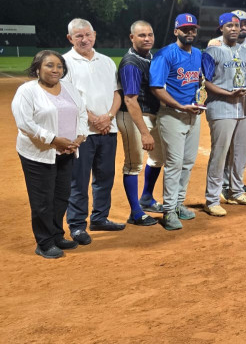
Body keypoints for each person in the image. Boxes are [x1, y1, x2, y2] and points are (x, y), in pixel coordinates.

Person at [12, 51, 88, 259]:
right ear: (37, 68)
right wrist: (53, 139)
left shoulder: (69, 88)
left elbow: (81, 113)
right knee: (43, 200)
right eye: (49, 65)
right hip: (39, 154)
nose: (55, 70)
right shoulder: (27, 91)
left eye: (59, 66)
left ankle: (56, 234)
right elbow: (25, 123)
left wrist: (80, 137)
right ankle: (44, 242)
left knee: (61, 196)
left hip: (67, 151)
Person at [63, 18, 124, 246]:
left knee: (105, 176)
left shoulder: (107, 62)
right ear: (70, 38)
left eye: (87, 34)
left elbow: (117, 92)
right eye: (78, 36)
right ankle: (77, 225)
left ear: (95, 35)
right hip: (81, 132)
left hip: (109, 129)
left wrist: (107, 117)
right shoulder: (65, 62)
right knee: (78, 180)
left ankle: (100, 218)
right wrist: (94, 120)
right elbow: (70, 98)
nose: (84, 39)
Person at [149, 13, 205, 231]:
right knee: (174, 163)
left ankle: (179, 203)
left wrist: (199, 102)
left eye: (193, 29)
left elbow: (199, 81)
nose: (190, 32)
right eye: (185, 29)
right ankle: (169, 210)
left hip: (193, 114)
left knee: (188, 162)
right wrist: (180, 106)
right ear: (176, 31)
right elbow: (156, 88)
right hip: (172, 115)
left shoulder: (198, 54)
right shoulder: (165, 55)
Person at [201, 13, 246, 217]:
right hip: (221, 107)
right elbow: (205, 82)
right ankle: (212, 199)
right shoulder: (212, 51)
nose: (234, 29)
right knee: (219, 154)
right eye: (229, 25)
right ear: (221, 29)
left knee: (240, 153)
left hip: (244, 107)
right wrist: (228, 93)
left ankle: (236, 191)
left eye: (236, 25)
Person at [116, 20, 163, 227]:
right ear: (132, 37)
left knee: (158, 157)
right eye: (142, 35)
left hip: (153, 114)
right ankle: (135, 213)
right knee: (134, 164)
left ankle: (146, 198)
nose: (147, 39)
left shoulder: (152, 57)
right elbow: (130, 99)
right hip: (133, 117)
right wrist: (144, 132)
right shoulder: (131, 63)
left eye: (150, 35)